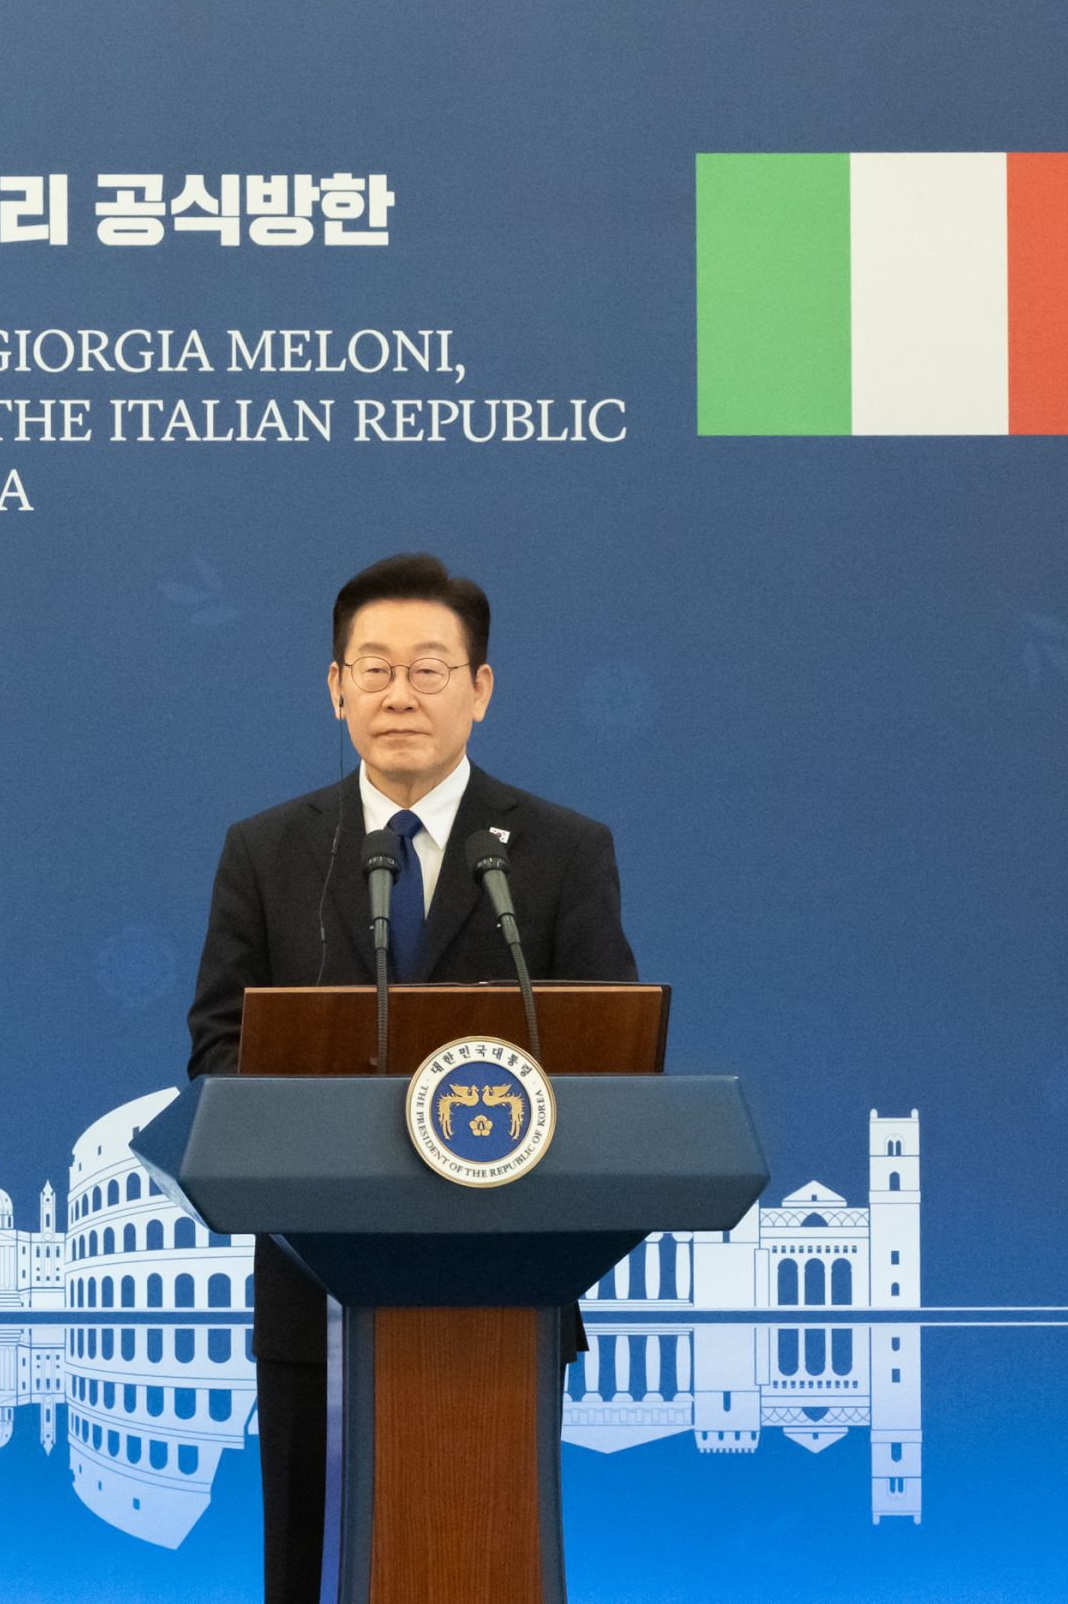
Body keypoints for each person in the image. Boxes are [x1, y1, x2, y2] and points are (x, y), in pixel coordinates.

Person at [185, 553, 636, 1604]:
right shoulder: (265, 852)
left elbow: (608, 1059)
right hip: (316, 1296)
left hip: (505, 1289)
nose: (400, 694)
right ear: (335, 687)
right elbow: (216, 1056)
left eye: (430, 670)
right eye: (375, 668)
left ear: (481, 688)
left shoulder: (562, 851)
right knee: (311, 1568)